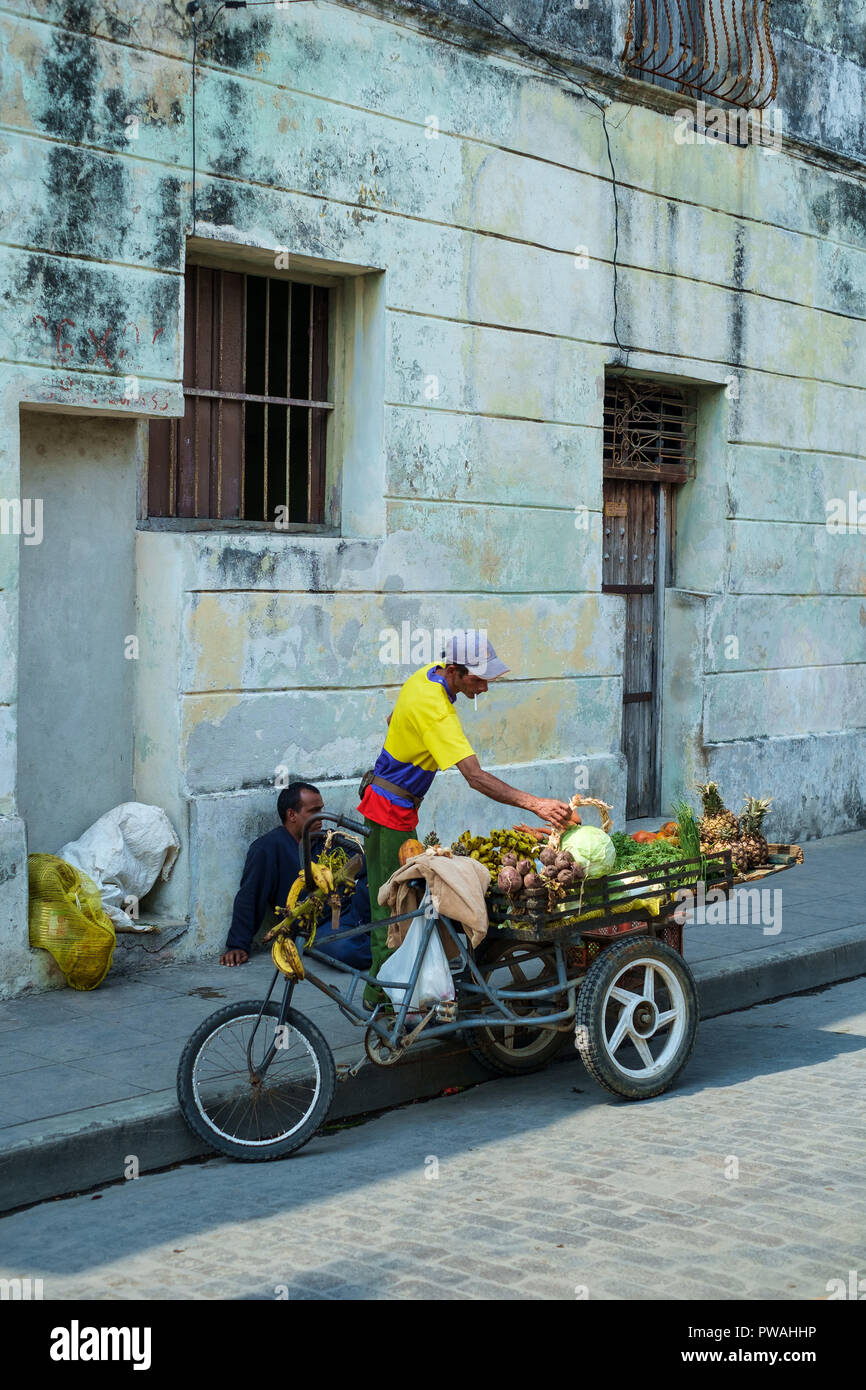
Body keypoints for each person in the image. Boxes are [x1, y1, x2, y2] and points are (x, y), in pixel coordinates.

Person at [357, 631, 571, 1009]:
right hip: (390, 811)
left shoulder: (425, 677)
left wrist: (406, 753)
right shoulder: (436, 709)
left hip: (386, 801)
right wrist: (535, 804)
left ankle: (387, 994)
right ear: (455, 670)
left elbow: (394, 718)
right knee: (395, 909)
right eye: (479, 679)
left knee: (395, 901)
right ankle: (383, 1003)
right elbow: (475, 777)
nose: (485, 687)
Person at [221, 782, 371, 969]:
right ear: (291, 815)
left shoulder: (327, 839)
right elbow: (250, 895)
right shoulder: (267, 848)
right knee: (344, 950)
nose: (320, 818)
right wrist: (237, 945)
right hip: (321, 927)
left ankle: (392, 941)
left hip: (353, 909)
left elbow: (365, 862)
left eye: (321, 810)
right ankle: (387, 954)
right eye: (313, 811)